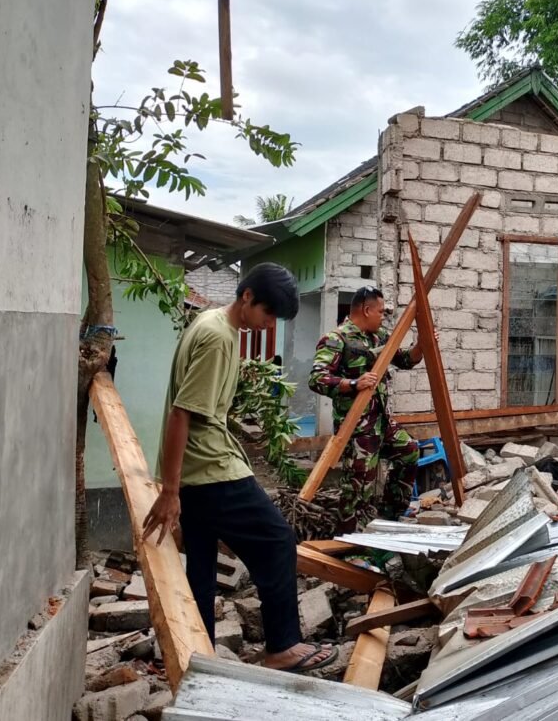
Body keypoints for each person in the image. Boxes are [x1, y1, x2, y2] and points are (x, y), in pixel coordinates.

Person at [143, 263, 337, 673]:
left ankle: (196, 658)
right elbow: (182, 413)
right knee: (277, 541)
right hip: (210, 468)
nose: (269, 325)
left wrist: (176, 484)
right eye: (268, 314)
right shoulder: (218, 337)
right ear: (247, 296)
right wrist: (170, 490)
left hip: (196, 471)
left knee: (201, 567)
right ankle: (282, 646)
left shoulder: (211, 323)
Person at [308, 285, 426, 533]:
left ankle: (389, 517)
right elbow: (317, 379)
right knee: (359, 485)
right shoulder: (336, 339)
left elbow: (405, 360)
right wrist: (353, 384)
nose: (383, 317)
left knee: (409, 452)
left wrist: (421, 346)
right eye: (381, 312)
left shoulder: (379, 337)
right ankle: (349, 540)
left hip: (381, 421)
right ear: (366, 310)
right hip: (357, 427)